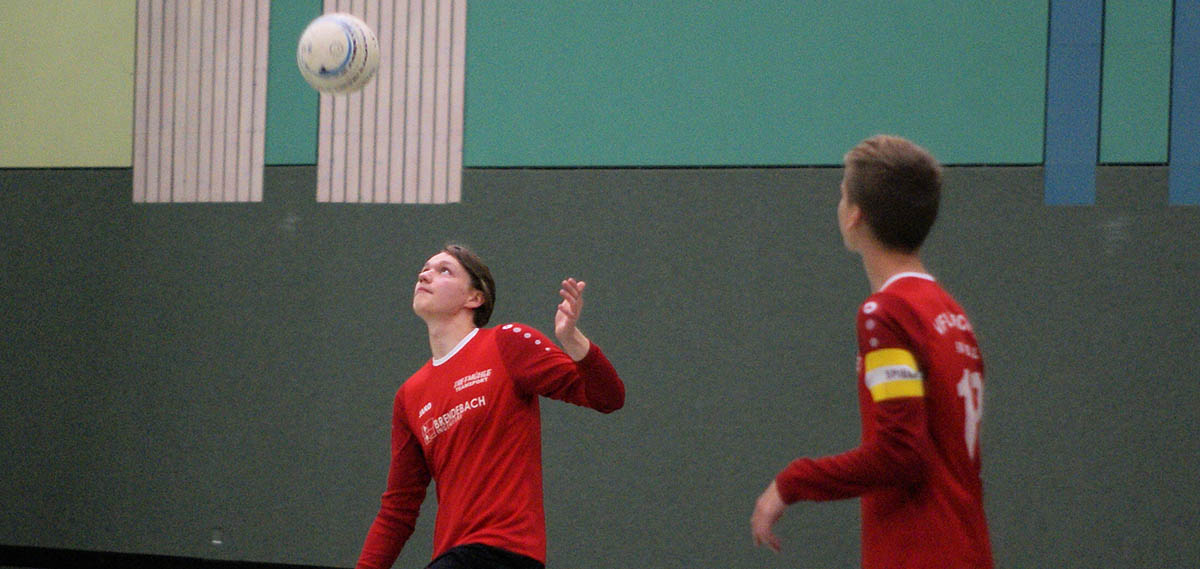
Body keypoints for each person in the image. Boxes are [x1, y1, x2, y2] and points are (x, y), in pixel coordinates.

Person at [750, 135, 993, 568]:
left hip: (917, 554)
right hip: (968, 549)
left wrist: (792, 482)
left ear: (855, 217)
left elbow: (901, 452)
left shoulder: (887, 313)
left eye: (843, 195)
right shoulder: (950, 313)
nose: (839, 205)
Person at [356, 244, 625, 569]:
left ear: (475, 298)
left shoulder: (507, 342)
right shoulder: (409, 395)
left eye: (444, 270)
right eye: (425, 268)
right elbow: (398, 510)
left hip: (505, 554)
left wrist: (571, 338)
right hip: (451, 556)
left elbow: (608, 397)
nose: (425, 274)